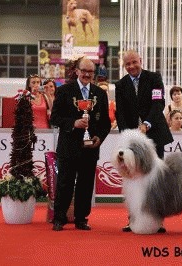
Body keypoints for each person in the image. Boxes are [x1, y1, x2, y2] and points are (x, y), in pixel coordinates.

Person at [115, 49, 173, 233]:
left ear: (141, 60)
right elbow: (121, 113)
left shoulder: (154, 78)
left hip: (155, 135)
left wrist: (147, 124)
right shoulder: (121, 84)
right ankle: (133, 219)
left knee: (155, 180)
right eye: (127, 64)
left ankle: (158, 220)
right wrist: (128, 136)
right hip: (133, 142)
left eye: (134, 62)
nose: (131, 66)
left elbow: (158, 104)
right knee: (133, 180)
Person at [50, 58, 111, 231]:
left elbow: (105, 123)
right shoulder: (63, 91)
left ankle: (81, 218)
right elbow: (54, 118)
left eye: (90, 72)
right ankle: (59, 218)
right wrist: (73, 123)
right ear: (76, 71)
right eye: (83, 70)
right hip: (68, 146)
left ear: (94, 74)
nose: (87, 74)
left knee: (86, 185)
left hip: (90, 148)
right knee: (64, 183)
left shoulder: (100, 93)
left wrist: (99, 137)